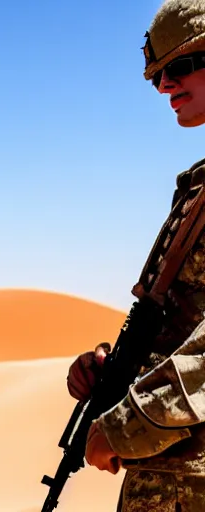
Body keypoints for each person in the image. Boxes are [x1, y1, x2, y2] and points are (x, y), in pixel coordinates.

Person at [66, 1, 205, 510]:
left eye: (178, 67)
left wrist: (130, 423)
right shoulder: (196, 185)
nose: (165, 86)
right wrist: (117, 370)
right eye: (156, 77)